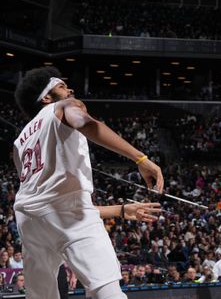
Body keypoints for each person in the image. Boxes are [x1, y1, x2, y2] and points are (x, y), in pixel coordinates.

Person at [12, 67, 164, 299]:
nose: (69, 89)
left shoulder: (19, 142)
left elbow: (50, 202)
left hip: (28, 221)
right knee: (107, 292)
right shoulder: (63, 106)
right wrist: (140, 159)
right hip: (65, 213)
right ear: (46, 97)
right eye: (62, 86)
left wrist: (121, 210)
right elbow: (86, 123)